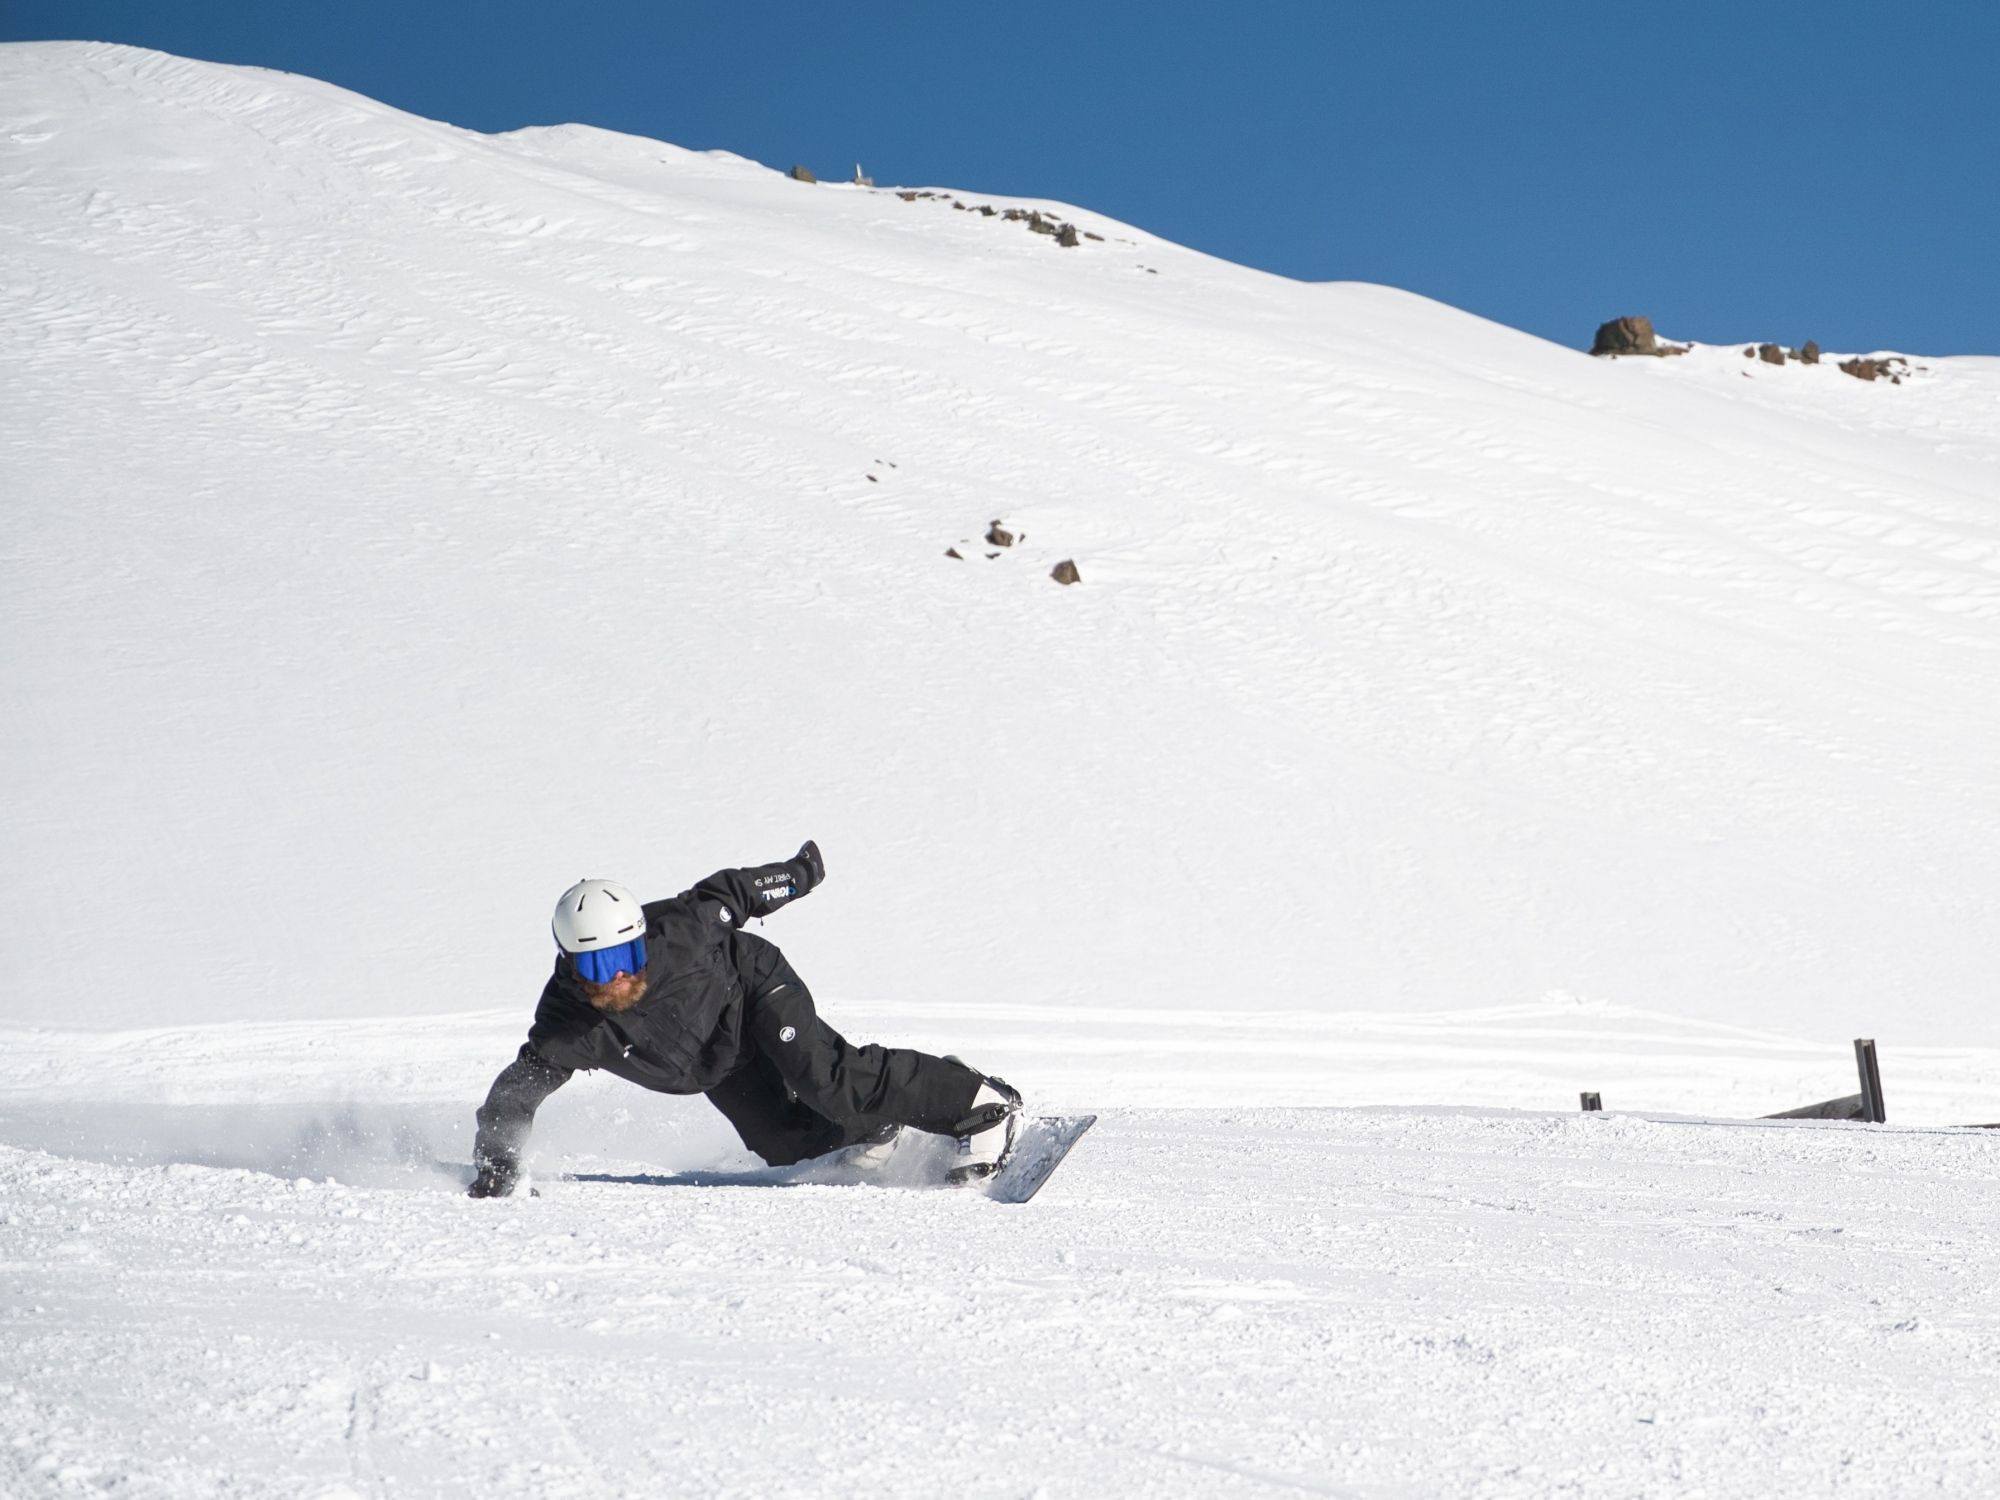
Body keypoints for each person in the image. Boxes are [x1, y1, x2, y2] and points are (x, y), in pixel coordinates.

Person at [468, 841, 1021, 1197]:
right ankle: (875, 1129)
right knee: (781, 1143)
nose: (617, 975)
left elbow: (734, 892)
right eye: (598, 963)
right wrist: (499, 1164)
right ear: (569, 962)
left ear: (642, 938)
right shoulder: (568, 1026)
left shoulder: (679, 931)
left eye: (626, 955)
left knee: (823, 1076)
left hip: (751, 989)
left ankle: (975, 1101)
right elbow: (514, 1095)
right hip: (717, 1063)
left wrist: (798, 874)